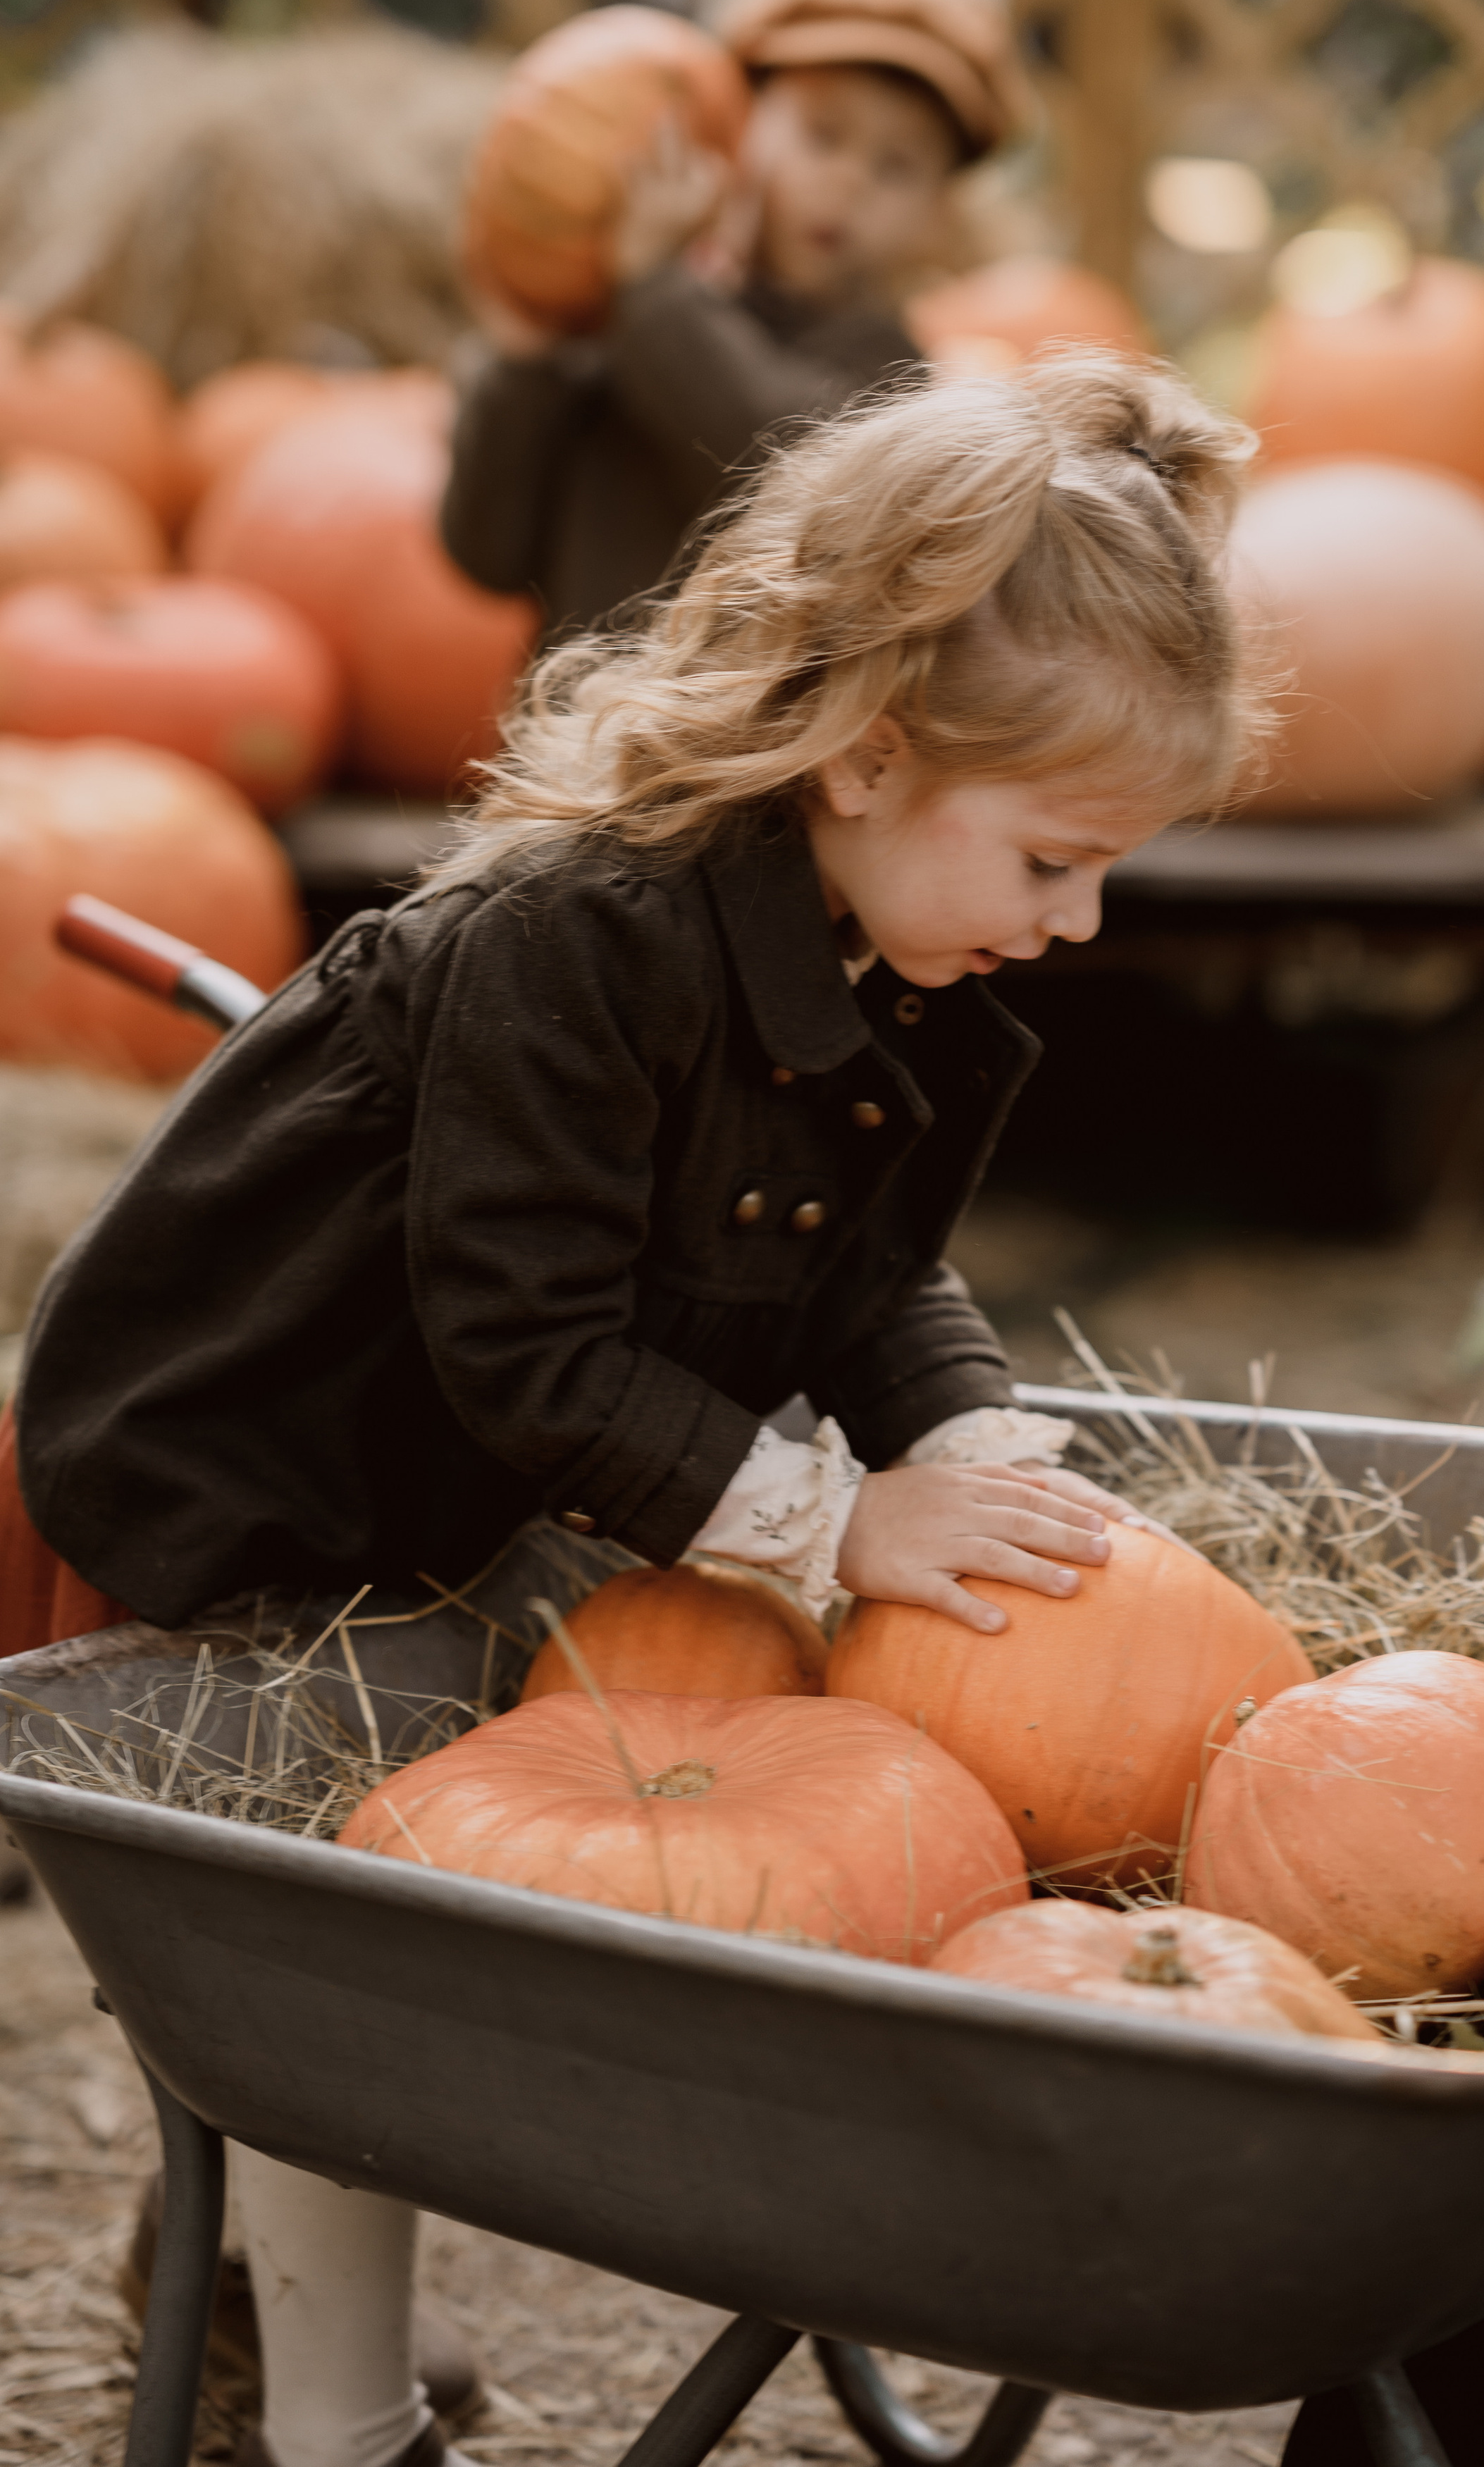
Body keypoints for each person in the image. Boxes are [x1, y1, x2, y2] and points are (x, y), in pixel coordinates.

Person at [8, 350, 1259, 2467]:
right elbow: (526, 1349)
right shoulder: (563, 945)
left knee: (414, 1891)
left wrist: (954, 1437)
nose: (1081, 918)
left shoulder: (894, 972)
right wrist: (825, 1523)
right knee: (333, 1949)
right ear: (866, 760)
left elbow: (867, 1273)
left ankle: (244, 2273)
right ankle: (331, 2413)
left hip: (472, 1476)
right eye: (1055, 855)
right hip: (252, 1495)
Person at [440, 0, 1031, 641]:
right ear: (735, 127)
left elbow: (768, 462)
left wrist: (656, 288)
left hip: (747, 750)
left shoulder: (886, 375)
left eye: (895, 166)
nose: (847, 180)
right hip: (574, 740)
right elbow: (488, 557)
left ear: (937, 215)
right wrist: (523, 368)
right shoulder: (616, 329)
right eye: (823, 135)